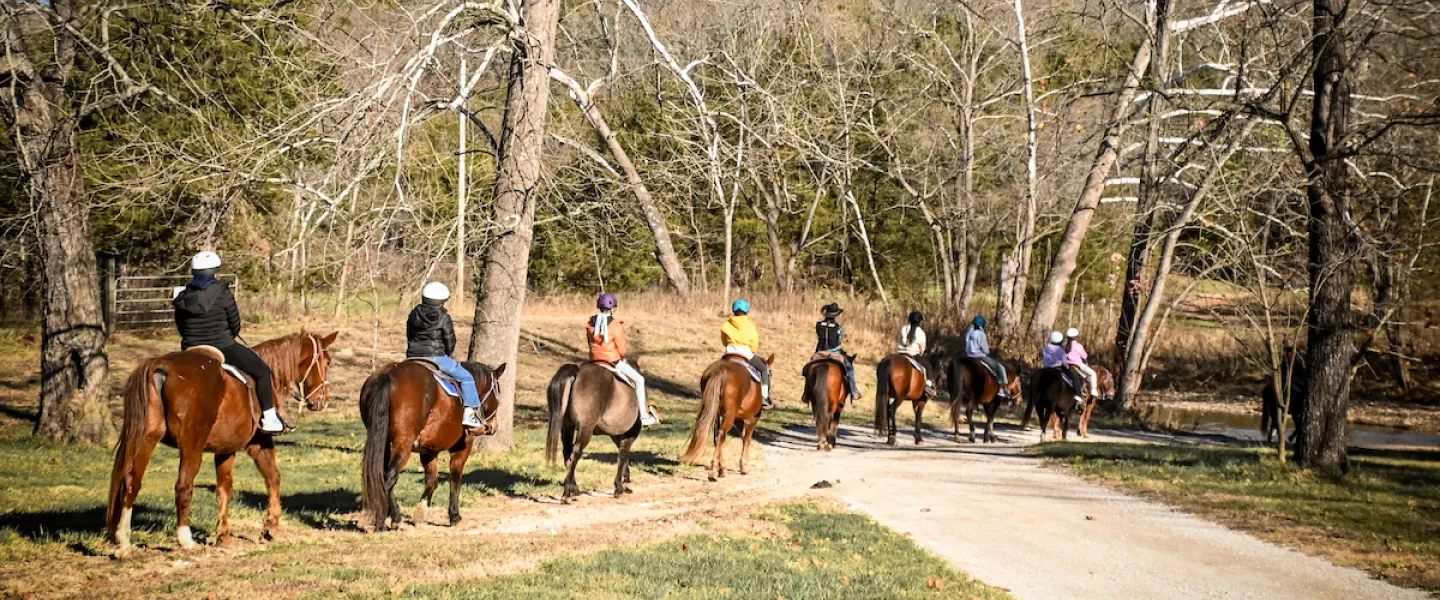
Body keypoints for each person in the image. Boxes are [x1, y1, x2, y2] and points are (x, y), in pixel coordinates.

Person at [173, 251, 288, 434]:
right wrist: (230, 335)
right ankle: (269, 418)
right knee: (262, 371)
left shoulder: (182, 296)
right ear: (216, 272)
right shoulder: (223, 293)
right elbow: (234, 323)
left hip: (191, 348)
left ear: (194, 273)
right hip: (223, 346)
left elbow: (180, 325)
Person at [406, 282, 483, 429]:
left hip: (413, 357)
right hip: (437, 357)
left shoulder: (413, 314)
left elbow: (409, 335)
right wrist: (447, 353)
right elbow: (450, 340)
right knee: (466, 378)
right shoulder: (444, 317)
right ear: (442, 301)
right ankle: (470, 413)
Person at [588, 293, 658, 426]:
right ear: (613, 308)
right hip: (612, 361)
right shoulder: (615, 325)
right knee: (639, 380)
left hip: (594, 361)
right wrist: (622, 358)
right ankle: (643, 416)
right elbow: (621, 349)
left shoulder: (590, 323)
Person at [721, 299, 773, 409]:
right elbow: (754, 343)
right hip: (745, 352)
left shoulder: (726, 324)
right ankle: (764, 397)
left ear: (733, 311)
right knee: (764, 370)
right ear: (747, 311)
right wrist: (752, 350)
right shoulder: (750, 325)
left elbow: (724, 341)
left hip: (729, 351)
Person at [814, 303, 860, 400]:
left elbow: (819, 336)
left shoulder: (818, 325)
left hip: (820, 353)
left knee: (809, 368)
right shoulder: (838, 327)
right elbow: (838, 341)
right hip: (834, 353)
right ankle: (854, 391)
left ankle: (806, 394)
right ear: (835, 315)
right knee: (849, 369)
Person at [964, 315, 1009, 398]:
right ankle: (1002, 389)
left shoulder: (969, 332)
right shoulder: (981, 334)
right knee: (1000, 367)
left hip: (968, 356)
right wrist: (988, 352)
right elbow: (985, 350)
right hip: (979, 357)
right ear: (982, 325)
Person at [897, 311, 936, 397]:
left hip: (901, 353)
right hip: (913, 355)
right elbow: (922, 348)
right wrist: (921, 353)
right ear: (919, 321)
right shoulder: (921, 333)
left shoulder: (903, 328)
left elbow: (900, 340)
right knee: (928, 367)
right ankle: (928, 386)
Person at [1064, 328, 1099, 404]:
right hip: (1078, 364)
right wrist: (1087, 362)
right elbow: (1084, 356)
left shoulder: (1064, 346)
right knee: (1093, 373)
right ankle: (1093, 390)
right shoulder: (1078, 346)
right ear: (1076, 336)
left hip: (1066, 365)